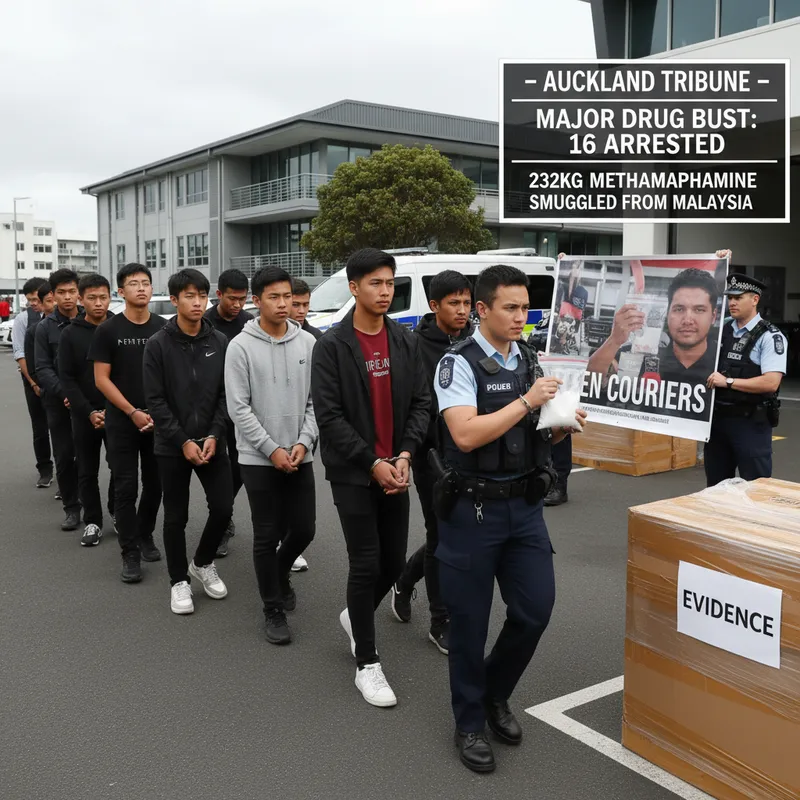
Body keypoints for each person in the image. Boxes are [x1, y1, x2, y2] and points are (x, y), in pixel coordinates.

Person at [434, 264, 586, 773]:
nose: (522, 316)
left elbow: (539, 432)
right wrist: (527, 401)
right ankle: (470, 721)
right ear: (482, 310)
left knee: (534, 610)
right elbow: (466, 435)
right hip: (473, 512)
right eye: (511, 308)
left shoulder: (528, 356)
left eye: (526, 307)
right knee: (471, 626)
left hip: (524, 509)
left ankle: (495, 693)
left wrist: (563, 425)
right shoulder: (457, 365)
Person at [311, 248, 430, 708]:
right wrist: (372, 462)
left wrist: (404, 454)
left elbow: (421, 402)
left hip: (396, 469)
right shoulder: (332, 346)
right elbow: (331, 416)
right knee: (365, 563)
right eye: (375, 283)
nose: (385, 291)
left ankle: (354, 615)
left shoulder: (404, 340)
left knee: (393, 563)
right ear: (354, 287)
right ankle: (367, 662)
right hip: (355, 474)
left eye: (389, 283)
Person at [225, 266, 318, 643]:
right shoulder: (240, 347)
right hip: (257, 458)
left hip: (300, 454)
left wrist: (303, 442)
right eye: (274, 297)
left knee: (304, 529)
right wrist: (272, 449)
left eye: (288, 297)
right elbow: (238, 408)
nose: (283, 305)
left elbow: (317, 402)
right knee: (265, 534)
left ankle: (279, 572)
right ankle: (272, 608)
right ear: (256, 300)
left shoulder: (308, 344)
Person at [390, 270, 473, 655]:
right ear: (434, 305)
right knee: (442, 535)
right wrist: (412, 451)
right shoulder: (413, 345)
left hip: (472, 453)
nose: (462, 310)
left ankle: (405, 580)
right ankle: (441, 620)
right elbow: (411, 405)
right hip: (430, 457)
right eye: (453, 303)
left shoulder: (476, 341)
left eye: (467, 302)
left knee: (456, 535)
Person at [144, 269, 232, 615]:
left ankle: (203, 562)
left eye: (202, 296)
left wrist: (213, 434)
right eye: (190, 296)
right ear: (175, 298)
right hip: (171, 446)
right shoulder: (158, 344)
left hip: (212, 442)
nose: (198, 303)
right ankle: (178, 580)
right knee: (175, 516)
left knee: (223, 509)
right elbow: (155, 400)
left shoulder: (219, 341)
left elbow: (227, 394)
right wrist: (182, 441)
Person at [90, 263, 165, 583]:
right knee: (125, 486)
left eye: (146, 283)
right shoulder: (108, 330)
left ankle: (145, 533)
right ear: (122, 292)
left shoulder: (163, 328)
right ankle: (129, 551)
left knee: (156, 484)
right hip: (122, 421)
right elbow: (101, 380)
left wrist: (157, 413)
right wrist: (132, 411)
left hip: (157, 419)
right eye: (134, 284)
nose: (141, 288)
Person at [705, 260, 788, 486]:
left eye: (738, 297)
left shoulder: (770, 337)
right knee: (716, 487)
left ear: (754, 299)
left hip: (750, 423)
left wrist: (728, 382)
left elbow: (771, 382)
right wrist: (719, 262)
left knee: (756, 487)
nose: (732, 302)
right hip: (719, 422)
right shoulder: (722, 328)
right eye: (730, 297)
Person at [59, 274, 115, 547]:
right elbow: (67, 378)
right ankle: (93, 520)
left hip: (118, 413)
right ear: (81, 299)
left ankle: (118, 511)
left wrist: (115, 410)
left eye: (103, 297)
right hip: (83, 415)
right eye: (91, 298)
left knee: (121, 467)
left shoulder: (119, 326)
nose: (98, 303)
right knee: (87, 470)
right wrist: (88, 412)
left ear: (110, 296)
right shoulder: (70, 333)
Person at [204, 267, 252, 558]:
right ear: (218, 294)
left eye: (242, 299)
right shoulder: (204, 322)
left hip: (243, 408)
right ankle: (220, 521)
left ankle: (223, 516)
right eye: (232, 299)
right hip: (211, 408)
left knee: (238, 468)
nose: (237, 305)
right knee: (216, 469)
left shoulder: (249, 323)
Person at [34, 269, 82, 531]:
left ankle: (98, 506)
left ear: (79, 292)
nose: (67, 298)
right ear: (52, 295)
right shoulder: (44, 328)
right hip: (58, 402)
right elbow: (42, 368)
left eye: (72, 291)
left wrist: (80, 397)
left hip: (88, 402)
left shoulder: (92, 322)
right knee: (64, 456)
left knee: (91, 457)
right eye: (61, 293)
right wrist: (66, 394)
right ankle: (72, 508)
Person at [286, 276, 322, 575]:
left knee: (298, 493)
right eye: (295, 304)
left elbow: (320, 392)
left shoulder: (315, 338)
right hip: (272, 429)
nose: (300, 310)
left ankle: (289, 544)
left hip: (308, 426)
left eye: (305, 304)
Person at [12, 277, 53, 488]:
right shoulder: (22, 320)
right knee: (40, 427)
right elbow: (20, 354)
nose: (33, 304)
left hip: (56, 382)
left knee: (63, 428)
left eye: (36, 299)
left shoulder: (60, 317)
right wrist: (33, 383)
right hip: (33, 381)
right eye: (30, 300)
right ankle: (45, 469)